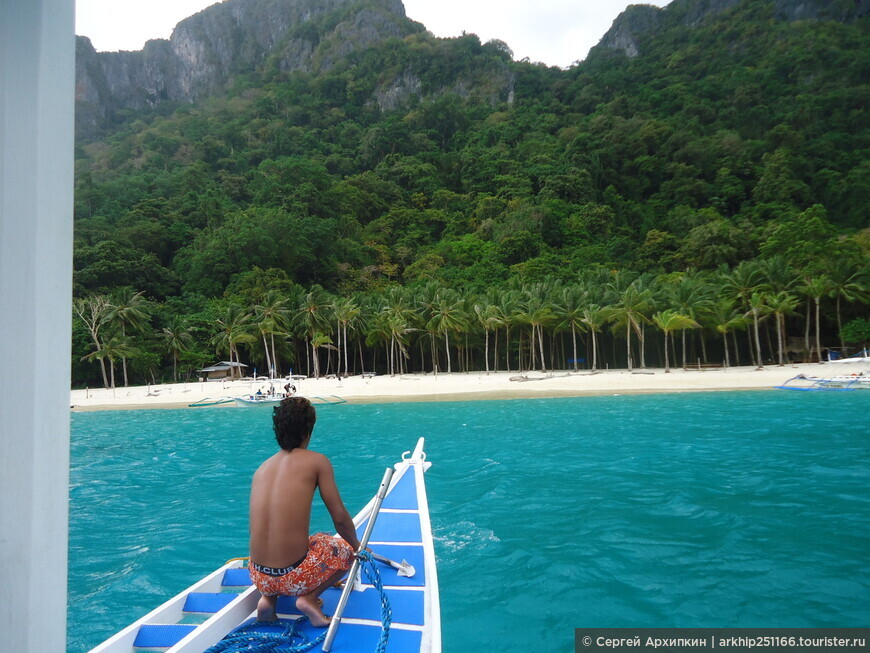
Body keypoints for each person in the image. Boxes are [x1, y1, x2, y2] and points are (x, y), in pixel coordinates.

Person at [248, 396, 361, 625]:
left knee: (307, 541)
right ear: (307, 431)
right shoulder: (317, 461)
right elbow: (339, 517)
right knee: (343, 550)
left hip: (258, 576)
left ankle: (268, 601)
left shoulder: (262, 468)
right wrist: (358, 547)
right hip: (293, 577)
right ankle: (308, 599)